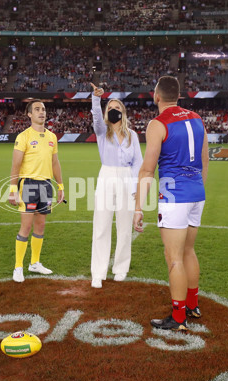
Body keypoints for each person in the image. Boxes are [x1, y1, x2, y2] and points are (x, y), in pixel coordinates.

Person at [133, 76, 209, 332]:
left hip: (174, 197)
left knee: (174, 258)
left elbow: (147, 170)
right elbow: (205, 161)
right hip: (196, 193)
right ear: (178, 96)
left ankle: (178, 318)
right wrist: (197, 188)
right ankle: (192, 304)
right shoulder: (197, 119)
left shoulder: (157, 124)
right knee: (189, 251)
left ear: (156, 96)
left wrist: (137, 207)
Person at [90, 82, 143, 288]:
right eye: (110, 108)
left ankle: (121, 268)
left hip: (127, 178)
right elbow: (96, 118)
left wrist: (134, 188)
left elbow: (138, 163)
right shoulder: (102, 132)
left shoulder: (133, 136)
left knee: (124, 226)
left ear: (123, 112)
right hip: (107, 176)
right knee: (101, 225)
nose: (113, 110)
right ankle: (98, 272)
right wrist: (96, 99)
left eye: (117, 108)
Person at [8, 99, 64, 283]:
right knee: (26, 226)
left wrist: (60, 186)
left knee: (40, 226)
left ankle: (35, 263)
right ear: (29, 114)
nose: (42, 112)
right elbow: (16, 164)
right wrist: (12, 189)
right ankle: (18, 266)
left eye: (44, 109)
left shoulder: (52, 137)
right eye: (37, 109)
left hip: (46, 185)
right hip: (29, 184)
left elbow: (55, 163)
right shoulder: (23, 136)